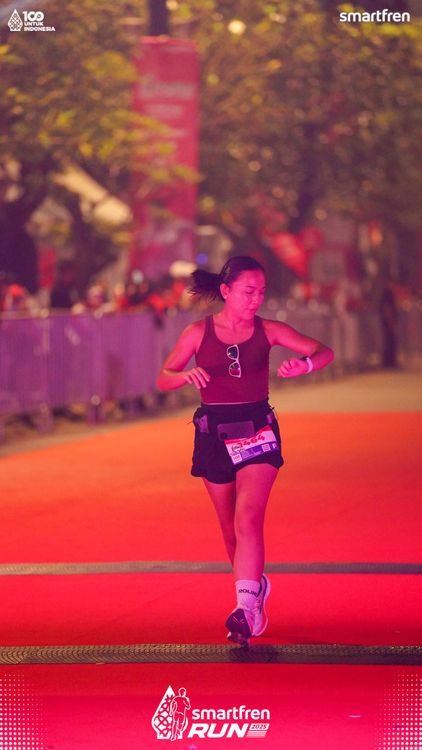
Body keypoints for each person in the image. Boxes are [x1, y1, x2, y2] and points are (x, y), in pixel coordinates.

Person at [156, 256, 334, 645]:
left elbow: (323, 351)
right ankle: (255, 589)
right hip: (213, 433)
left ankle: (246, 607)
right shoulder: (197, 332)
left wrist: (304, 367)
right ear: (226, 291)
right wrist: (184, 375)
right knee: (229, 529)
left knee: (248, 517)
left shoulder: (269, 330)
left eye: (261, 292)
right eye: (248, 292)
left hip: (257, 430)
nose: (256, 300)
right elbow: (163, 377)